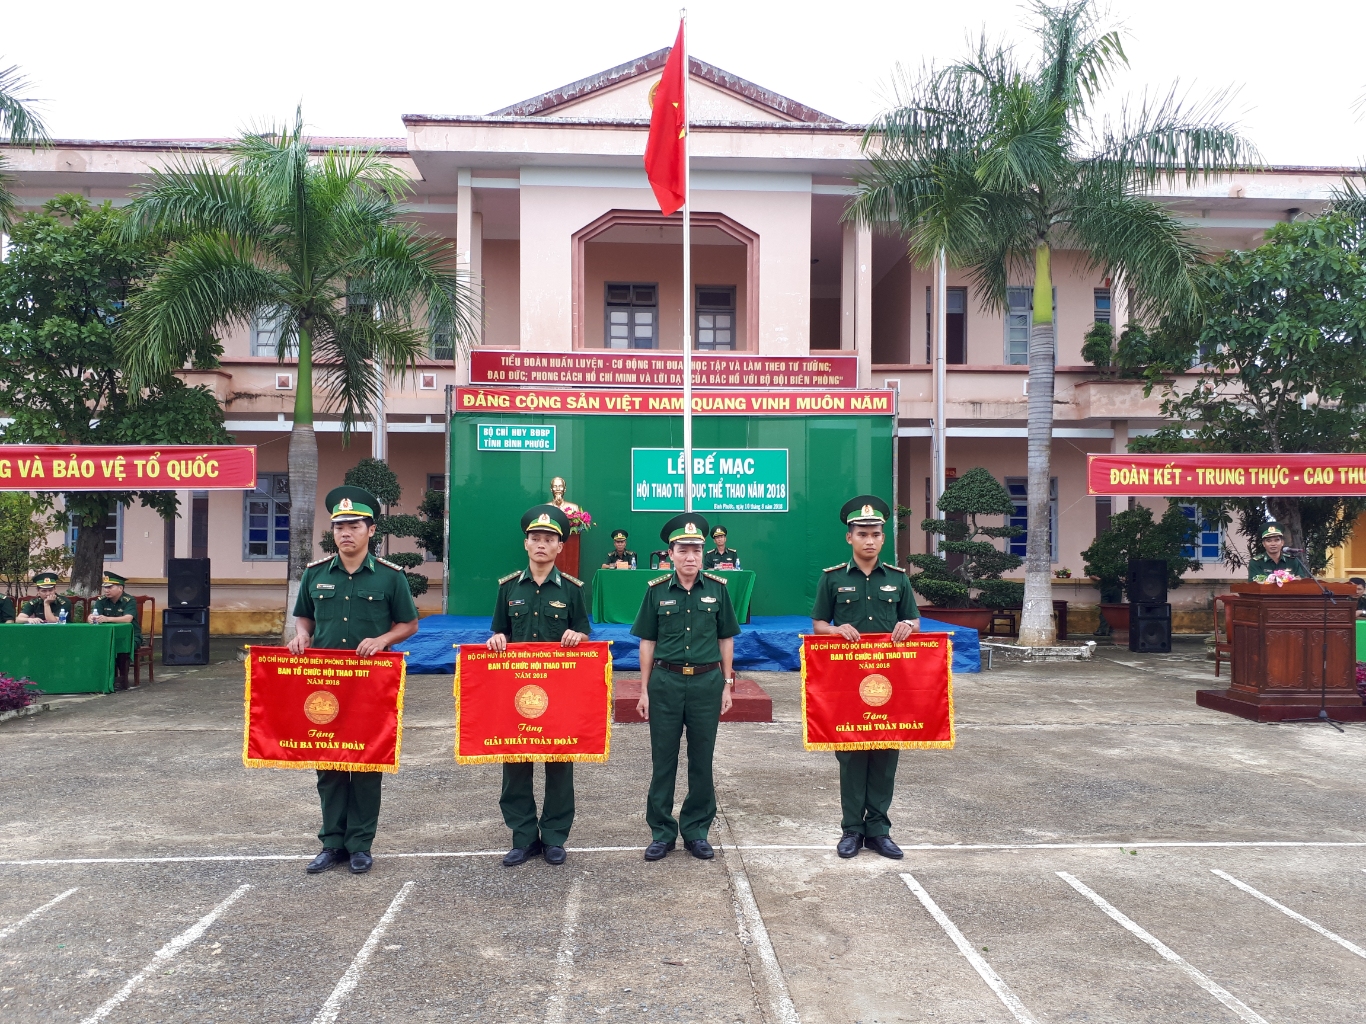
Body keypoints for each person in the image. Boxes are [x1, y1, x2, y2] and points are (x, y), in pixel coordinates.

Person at [289, 485, 420, 876]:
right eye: (340, 526)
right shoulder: (315, 574)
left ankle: (360, 844)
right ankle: (332, 843)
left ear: (371, 530)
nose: (346, 532)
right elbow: (304, 616)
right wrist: (301, 635)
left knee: (365, 763)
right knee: (327, 764)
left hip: (368, 685)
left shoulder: (389, 578)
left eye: (354, 525)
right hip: (324, 684)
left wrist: (383, 640)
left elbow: (409, 624)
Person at [811, 495, 920, 861]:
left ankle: (879, 830)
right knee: (852, 756)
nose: (869, 540)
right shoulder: (832, 579)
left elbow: (914, 620)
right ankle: (851, 830)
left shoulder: (899, 579)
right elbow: (818, 624)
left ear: (883, 538)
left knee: (886, 754)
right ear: (849, 538)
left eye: (875, 534)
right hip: (848, 682)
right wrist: (835, 630)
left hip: (890, 682)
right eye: (862, 534)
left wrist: (908, 624)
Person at [631, 513, 740, 862]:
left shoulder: (718, 590)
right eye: (683, 549)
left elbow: (726, 640)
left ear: (704, 552)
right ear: (670, 553)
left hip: (707, 683)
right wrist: (644, 689)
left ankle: (696, 831)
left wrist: (726, 684)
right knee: (663, 760)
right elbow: (647, 642)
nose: (690, 556)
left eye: (696, 549)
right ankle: (662, 832)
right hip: (665, 682)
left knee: (701, 760)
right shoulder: (657, 591)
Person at [487, 504, 591, 867]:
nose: (542, 544)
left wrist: (576, 635)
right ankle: (523, 837)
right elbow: (498, 629)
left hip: (558, 692)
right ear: (526, 544)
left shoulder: (573, 590)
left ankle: (555, 838)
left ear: (560, 546)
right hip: (516, 692)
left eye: (549, 539)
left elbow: (583, 630)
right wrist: (497, 639)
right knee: (515, 763)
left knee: (559, 763)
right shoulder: (507, 588)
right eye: (536, 538)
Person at [90, 571, 141, 690]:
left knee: (122, 648)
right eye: (105, 587)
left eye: (109, 587)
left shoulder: (129, 600)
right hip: (106, 636)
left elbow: (128, 619)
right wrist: (92, 618)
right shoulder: (101, 600)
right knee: (97, 647)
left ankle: (122, 679)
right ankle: (103, 678)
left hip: (129, 637)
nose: (106, 590)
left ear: (120, 588)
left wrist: (107, 619)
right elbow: (93, 615)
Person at [1246, 523, 1311, 581]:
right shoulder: (1256, 562)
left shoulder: (1292, 561)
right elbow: (1253, 584)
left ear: (1282, 542)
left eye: (1277, 540)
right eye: (1269, 541)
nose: (1273, 544)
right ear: (1263, 544)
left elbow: (1301, 580)